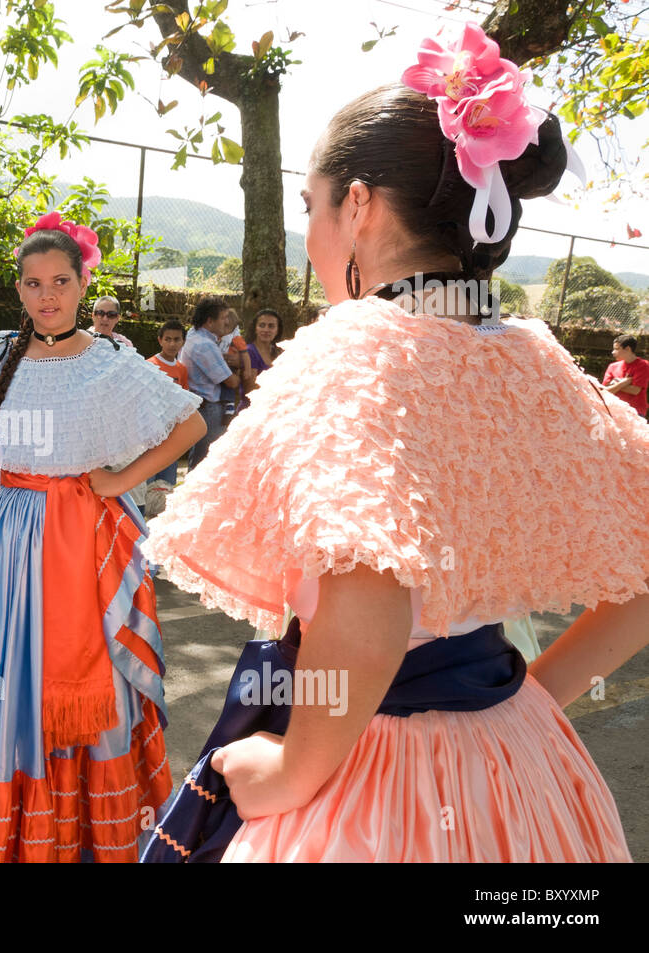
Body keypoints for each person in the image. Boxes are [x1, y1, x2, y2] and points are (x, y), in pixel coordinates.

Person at [143, 32, 647, 863]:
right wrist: (537, 697)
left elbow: (368, 603)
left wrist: (292, 771)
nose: (310, 231)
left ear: (359, 205)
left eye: (311, 205)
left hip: (370, 775)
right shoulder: (533, 357)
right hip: (523, 762)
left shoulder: (358, 351)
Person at [0, 212, 206, 862]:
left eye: (60, 282)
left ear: (83, 285)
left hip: (79, 541)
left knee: (76, 678)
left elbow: (189, 425)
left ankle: (69, 838)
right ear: (18, 288)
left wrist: (119, 480)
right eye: (33, 283)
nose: (46, 295)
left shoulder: (111, 361)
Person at [179, 294, 240, 469]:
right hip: (209, 410)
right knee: (207, 465)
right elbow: (231, 382)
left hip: (201, 407)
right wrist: (240, 370)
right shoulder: (205, 345)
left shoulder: (193, 335)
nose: (226, 322)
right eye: (223, 318)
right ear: (210, 321)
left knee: (200, 461)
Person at [147, 319, 189, 489]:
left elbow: (184, 399)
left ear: (183, 341)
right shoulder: (150, 365)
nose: (172, 344)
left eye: (177, 339)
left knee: (167, 483)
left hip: (172, 433)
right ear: (160, 340)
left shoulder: (181, 369)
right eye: (168, 339)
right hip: (151, 433)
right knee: (148, 479)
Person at [602, 334, 648, 418]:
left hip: (635, 411)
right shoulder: (612, 366)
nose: (613, 352)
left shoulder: (643, 365)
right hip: (613, 410)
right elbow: (605, 390)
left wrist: (614, 384)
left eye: (616, 349)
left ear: (628, 349)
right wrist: (624, 383)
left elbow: (635, 390)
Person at [243, 307, 282, 401]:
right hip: (255, 406)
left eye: (271, 326)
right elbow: (251, 389)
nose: (266, 330)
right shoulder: (249, 351)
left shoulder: (279, 352)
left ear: (277, 330)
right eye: (262, 325)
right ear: (255, 329)